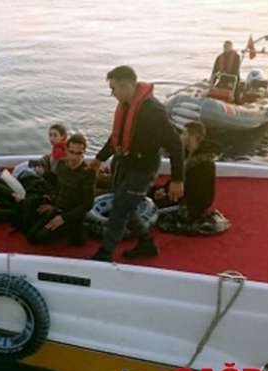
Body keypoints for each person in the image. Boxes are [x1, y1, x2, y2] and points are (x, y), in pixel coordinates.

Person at [89, 65, 184, 262]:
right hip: (125, 164)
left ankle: (104, 254)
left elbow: (175, 145)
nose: (112, 94)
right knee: (126, 206)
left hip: (142, 169)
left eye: (113, 89)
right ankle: (147, 244)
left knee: (119, 209)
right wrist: (99, 159)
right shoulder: (126, 106)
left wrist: (177, 179)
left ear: (126, 87)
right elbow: (116, 138)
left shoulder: (154, 111)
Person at [25, 134, 95, 246]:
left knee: (42, 237)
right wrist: (52, 204)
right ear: (66, 150)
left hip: (72, 215)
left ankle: (82, 229)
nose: (74, 157)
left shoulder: (87, 173)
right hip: (58, 208)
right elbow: (58, 185)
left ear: (84, 152)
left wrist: (64, 218)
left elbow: (88, 204)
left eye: (78, 153)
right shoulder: (61, 165)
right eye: (71, 152)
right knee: (31, 236)